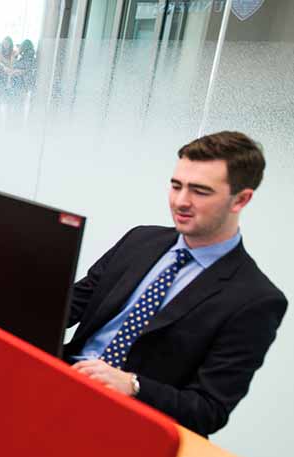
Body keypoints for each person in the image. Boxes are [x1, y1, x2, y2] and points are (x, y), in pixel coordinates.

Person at [66, 131, 287, 437]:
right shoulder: (140, 240)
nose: (181, 201)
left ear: (241, 199)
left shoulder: (255, 299)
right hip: (64, 382)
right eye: (176, 186)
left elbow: (209, 411)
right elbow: (67, 306)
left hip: (132, 426)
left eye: (200, 191)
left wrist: (132, 385)